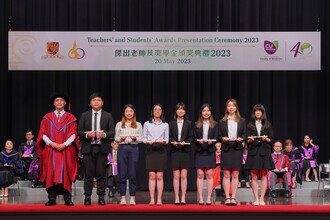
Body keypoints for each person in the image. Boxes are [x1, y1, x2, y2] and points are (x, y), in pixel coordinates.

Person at [36, 93, 79, 206]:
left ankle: (67, 198)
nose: (59, 102)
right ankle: (51, 198)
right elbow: (42, 133)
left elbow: (73, 134)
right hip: (51, 150)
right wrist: (51, 143)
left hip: (66, 151)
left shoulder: (71, 118)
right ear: (53, 103)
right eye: (57, 100)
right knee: (51, 173)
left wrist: (64, 144)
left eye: (61, 100)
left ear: (65, 103)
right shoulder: (47, 117)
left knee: (66, 172)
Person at [78, 92, 115, 206]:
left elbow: (112, 132)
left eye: (98, 100)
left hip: (102, 147)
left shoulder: (108, 116)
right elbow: (79, 131)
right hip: (88, 148)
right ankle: (87, 197)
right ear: (90, 103)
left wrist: (103, 135)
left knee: (101, 174)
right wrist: (86, 135)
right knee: (88, 174)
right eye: (94, 100)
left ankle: (101, 197)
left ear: (102, 103)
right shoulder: (85, 115)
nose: (96, 102)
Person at [245, 104, 275, 206]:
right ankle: (256, 198)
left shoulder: (268, 125)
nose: (258, 112)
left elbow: (272, 140)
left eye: (259, 111)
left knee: (264, 176)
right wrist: (250, 139)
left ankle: (262, 198)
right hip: (253, 152)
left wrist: (266, 139)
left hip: (264, 152)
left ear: (262, 113)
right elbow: (246, 140)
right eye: (256, 111)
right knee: (253, 176)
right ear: (254, 113)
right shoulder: (249, 125)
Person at [219, 99, 246, 206]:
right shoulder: (222, 121)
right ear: (226, 108)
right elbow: (219, 136)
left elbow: (244, 135)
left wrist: (241, 139)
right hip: (226, 148)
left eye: (233, 106)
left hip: (237, 149)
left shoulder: (242, 121)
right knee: (226, 174)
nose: (231, 107)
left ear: (236, 108)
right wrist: (223, 139)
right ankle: (227, 197)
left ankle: (233, 197)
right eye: (229, 106)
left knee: (235, 174)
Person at [114, 104, 143, 205]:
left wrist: (135, 138)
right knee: (122, 173)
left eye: (131, 111)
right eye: (127, 111)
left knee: (132, 173)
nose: (129, 113)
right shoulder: (119, 124)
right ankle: (122, 197)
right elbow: (116, 138)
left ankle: (132, 197)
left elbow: (141, 139)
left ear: (133, 113)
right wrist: (120, 139)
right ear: (124, 113)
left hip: (134, 149)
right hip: (122, 148)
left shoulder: (138, 124)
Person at [193, 104, 220, 205]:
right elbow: (194, 138)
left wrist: (211, 142)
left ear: (210, 112)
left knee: (209, 175)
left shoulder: (215, 124)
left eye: (208, 111)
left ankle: (208, 197)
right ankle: (200, 198)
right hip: (200, 151)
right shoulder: (196, 124)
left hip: (210, 151)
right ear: (201, 113)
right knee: (200, 174)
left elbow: (217, 137)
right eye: (204, 111)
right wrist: (198, 141)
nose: (206, 113)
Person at [143, 104, 169, 205]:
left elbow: (166, 139)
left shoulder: (165, 124)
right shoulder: (147, 124)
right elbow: (144, 138)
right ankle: (152, 199)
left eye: (159, 109)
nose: (157, 111)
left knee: (160, 176)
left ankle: (159, 199)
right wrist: (147, 141)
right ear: (152, 112)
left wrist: (163, 141)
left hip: (161, 150)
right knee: (152, 175)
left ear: (162, 112)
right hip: (150, 149)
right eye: (155, 109)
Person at [169, 102, 193, 205]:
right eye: (178, 109)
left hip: (184, 150)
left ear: (185, 111)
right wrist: (173, 141)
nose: (180, 110)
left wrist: (185, 142)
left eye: (182, 109)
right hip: (175, 150)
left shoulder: (189, 123)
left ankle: (183, 197)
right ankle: (176, 198)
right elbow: (169, 136)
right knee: (176, 175)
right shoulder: (171, 123)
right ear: (176, 111)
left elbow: (191, 137)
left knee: (184, 175)